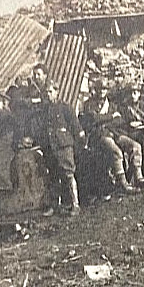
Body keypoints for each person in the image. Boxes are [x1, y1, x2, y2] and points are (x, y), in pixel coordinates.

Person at [79, 85, 144, 194]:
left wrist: (104, 120)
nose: (102, 91)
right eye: (99, 89)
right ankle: (124, 184)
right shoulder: (89, 105)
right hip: (99, 136)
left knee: (135, 146)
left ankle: (138, 177)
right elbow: (93, 119)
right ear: (95, 90)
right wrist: (110, 117)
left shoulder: (112, 105)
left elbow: (120, 120)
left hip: (115, 133)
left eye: (104, 89)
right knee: (116, 151)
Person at [30, 83, 84, 215]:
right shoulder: (44, 111)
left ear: (57, 92)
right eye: (46, 93)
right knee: (53, 175)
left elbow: (76, 127)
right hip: (50, 147)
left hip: (63, 145)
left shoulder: (65, 108)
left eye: (50, 92)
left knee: (68, 174)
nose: (48, 95)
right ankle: (55, 205)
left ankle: (75, 204)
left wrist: (79, 144)